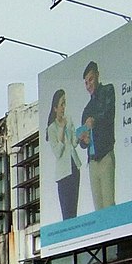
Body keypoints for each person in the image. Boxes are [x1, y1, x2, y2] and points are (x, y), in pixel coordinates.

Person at [77, 61, 116, 210]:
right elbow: (82, 141)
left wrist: (95, 121)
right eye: (86, 83)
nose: (89, 85)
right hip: (92, 161)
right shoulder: (86, 108)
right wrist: (84, 140)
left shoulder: (108, 90)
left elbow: (109, 113)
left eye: (91, 80)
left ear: (98, 76)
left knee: (108, 204)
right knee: (98, 208)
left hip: (106, 155)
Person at [46, 88, 82, 220]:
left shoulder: (69, 119)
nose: (63, 107)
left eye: (65, 103)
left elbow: (73, 142)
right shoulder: (52, 128)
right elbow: (58, 152)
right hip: (63, 174)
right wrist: (61, 128)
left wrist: (79, 134)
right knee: (67, 213)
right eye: (61, 104)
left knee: (74, 209)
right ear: (55, 108)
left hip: (74, 168)